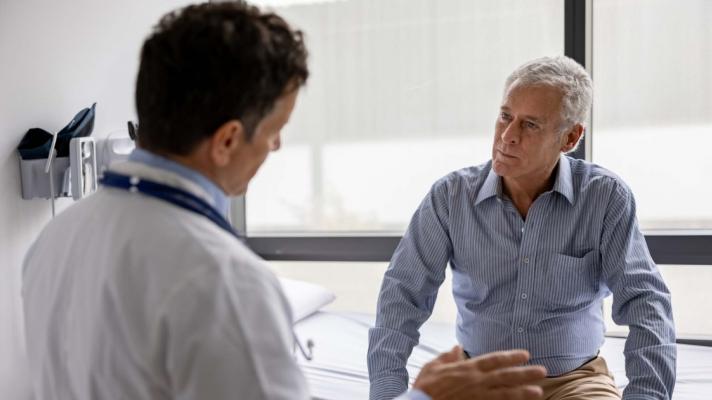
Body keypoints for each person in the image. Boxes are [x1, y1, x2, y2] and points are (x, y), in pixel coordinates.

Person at [22, 2, 547, 400]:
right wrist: (423, 395)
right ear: (227, 139)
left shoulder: (53, 240)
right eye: (274, 130)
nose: (275, 146)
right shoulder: (222, 281)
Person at [368, 55, 677, 400]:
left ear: (570, 137)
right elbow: (402, 296)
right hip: (479, 380)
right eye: (505, 117)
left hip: (574, 381)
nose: (508, 136)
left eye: (530, 125)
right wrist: (388, 394)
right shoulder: (450, 197)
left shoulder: (605, 197)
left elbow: (646, 303)